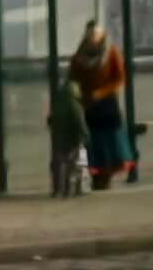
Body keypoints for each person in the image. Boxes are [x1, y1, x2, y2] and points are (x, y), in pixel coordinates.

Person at [67, 18, 130, 192]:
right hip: (87, 106)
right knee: (89, 141)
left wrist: (101, 93)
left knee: (107, 142)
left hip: (106, 105)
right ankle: (92, 175)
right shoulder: (79, 56)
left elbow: (120, 78)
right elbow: (73, 78)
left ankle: (105, 176)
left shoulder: (111, 53)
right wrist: (79, 95)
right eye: (90, 33)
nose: (93, 37)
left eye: (96, 33)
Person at [45, 64, 89, 197]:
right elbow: (80, 123)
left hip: (60, 138)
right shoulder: (75, 104)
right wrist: (85, 136)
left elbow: (50, 120)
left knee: (61, 163)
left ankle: (59, 188)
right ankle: (78, 187)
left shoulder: (57, 103)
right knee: (80, 160)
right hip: (74, 138)